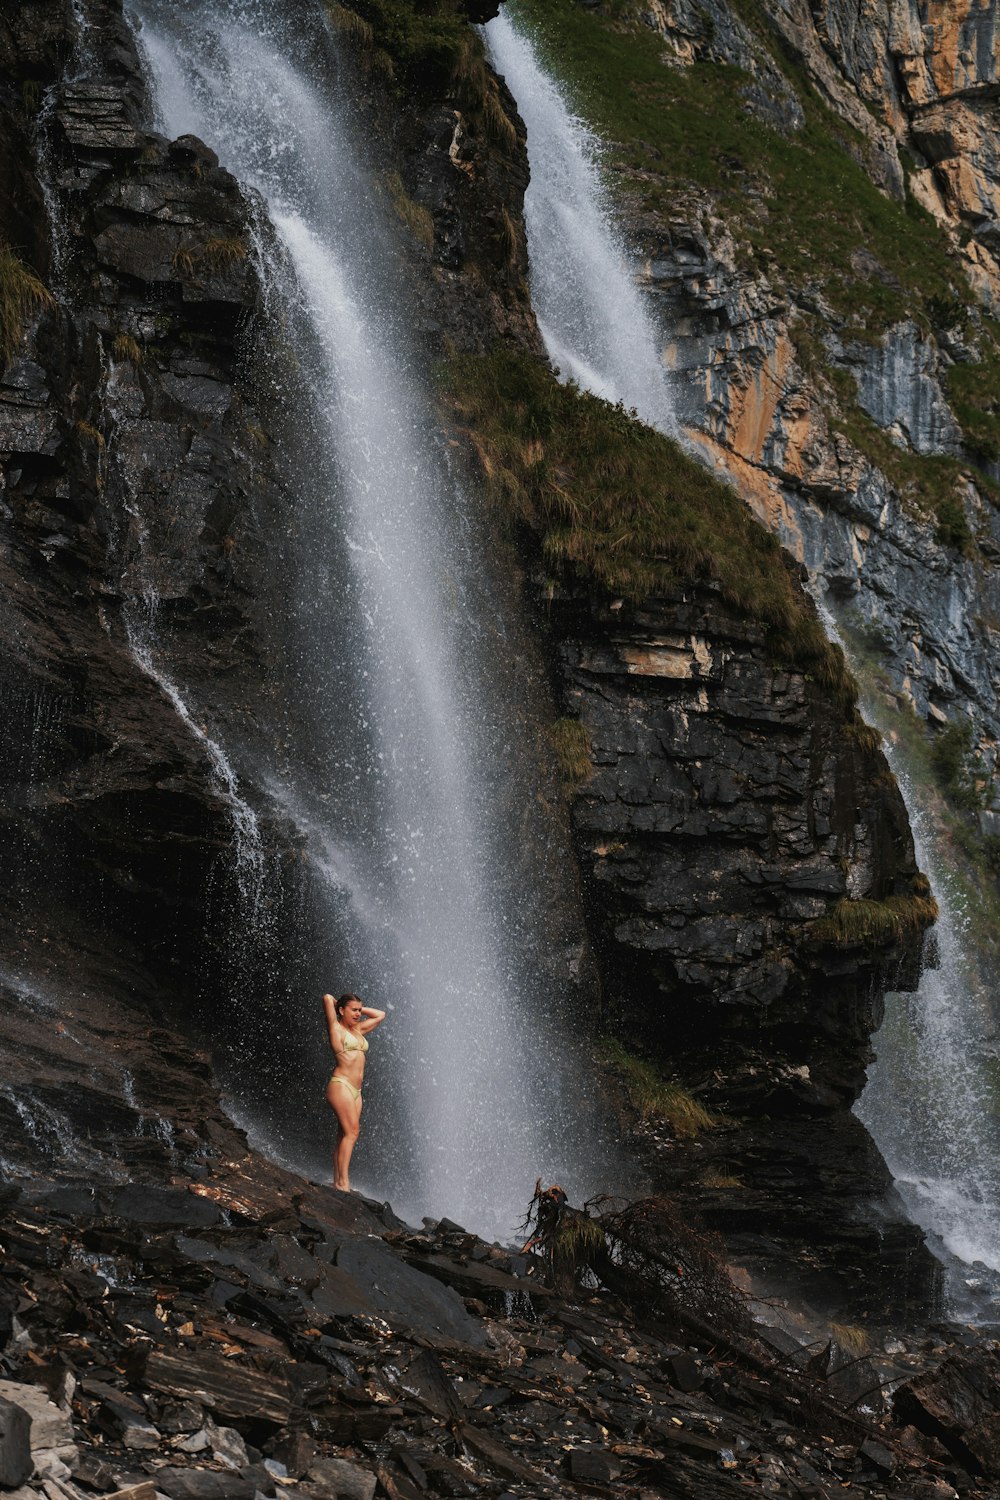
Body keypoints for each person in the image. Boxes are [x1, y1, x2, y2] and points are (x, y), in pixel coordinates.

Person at [322, 990, 386, 1192]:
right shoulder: (336, 1029)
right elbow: (326, 997)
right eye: (354, 1010)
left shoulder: (358, 1030)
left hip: (356, 1091)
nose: (358, 1014)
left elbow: (381, 1014)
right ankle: (343, 1184)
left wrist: (358, 1008)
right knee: (353, 1132)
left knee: (343, 1134)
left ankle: (337, 1180)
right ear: (341, 1010)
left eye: (360, 1010)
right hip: (341, 1084)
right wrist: (337, 1004)